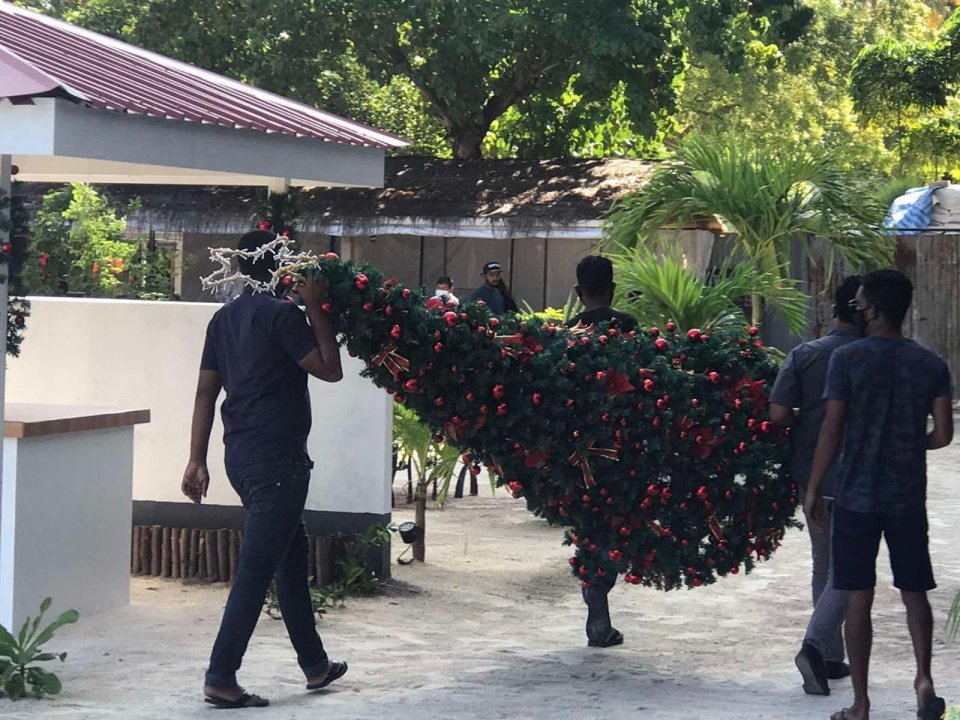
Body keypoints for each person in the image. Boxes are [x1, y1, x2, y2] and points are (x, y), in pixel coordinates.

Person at [181, 230, 349, 708]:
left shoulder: (223, 319)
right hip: (279, 459)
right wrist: (315, 305)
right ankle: (221, 675)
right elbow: (329, 368)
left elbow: (204, 394)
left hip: (241, 457)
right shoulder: (281, 315)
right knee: (255, 572)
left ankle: (315, 666)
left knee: (288, 562)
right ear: (281, 268)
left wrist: (196, 458)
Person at [805, 269, 953, 720]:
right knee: (914, 592)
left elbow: (832, 429)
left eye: (861, 304)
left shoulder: (847, 360)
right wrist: (907, 441)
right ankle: (924, 681)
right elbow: (944, 434)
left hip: (855, 497)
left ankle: (862, 704)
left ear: (872, 310)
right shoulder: (930, 363)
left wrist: (813, 489)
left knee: (857, 596)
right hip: (906, 496)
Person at [769, 276, 862, 696]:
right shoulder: (869, 357)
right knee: (851, 570)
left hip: (812, 475)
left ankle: (829, 655)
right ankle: (817, 647)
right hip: (860, 476)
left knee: (824, 564)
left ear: (833, 309)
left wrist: (805, 421)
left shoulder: (805, 354)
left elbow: (776, 414)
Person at [565, 255, 637, 648]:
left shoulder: (566, 332)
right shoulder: (626, 326)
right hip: (620, 445)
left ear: (579, 293)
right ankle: (600, 599)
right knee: (616, 524)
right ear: (613, 289)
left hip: (577, 448)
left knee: (589, 525)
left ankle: (598, 608)